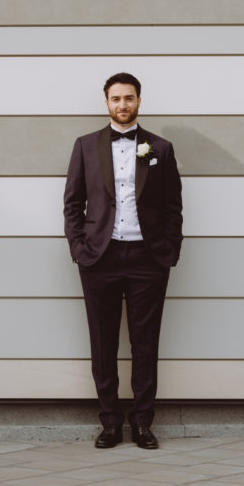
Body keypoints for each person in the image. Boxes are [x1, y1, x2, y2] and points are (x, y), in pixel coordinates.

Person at [62, 73, 182, 450]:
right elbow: (72, 204)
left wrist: (169, 250)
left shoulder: (160, 147)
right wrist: (80, 250)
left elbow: (173, 206)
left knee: (146, 344)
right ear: (107, 103)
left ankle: (143, 422)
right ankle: (110, 422)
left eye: (129, 98)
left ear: (139, 101)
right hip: (100, 259)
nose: (122, 105)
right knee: (103, 343)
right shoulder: (85, 146)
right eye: (115, 99)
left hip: (148, 259)